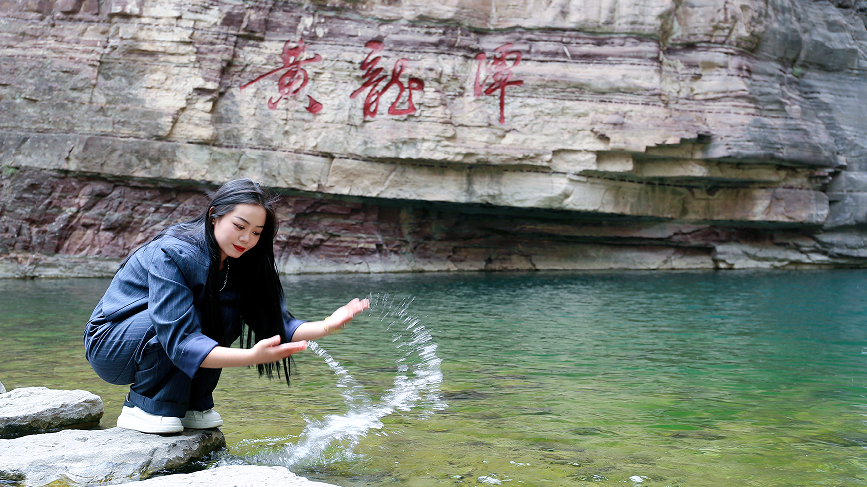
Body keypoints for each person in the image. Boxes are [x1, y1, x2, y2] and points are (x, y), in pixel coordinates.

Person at [83, 179, 369, 434]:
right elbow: (179, 337)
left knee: (224, 312)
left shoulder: (243, 263)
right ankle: (146, 406)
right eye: (239, 226)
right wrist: (249, 356)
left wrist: (327, 324)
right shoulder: (172, 252)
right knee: (190, 316)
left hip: (162, 338)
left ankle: (193, 403)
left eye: (257, 232)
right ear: (214, 216)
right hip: (113, 345)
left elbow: (274, 322)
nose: (247, 239)